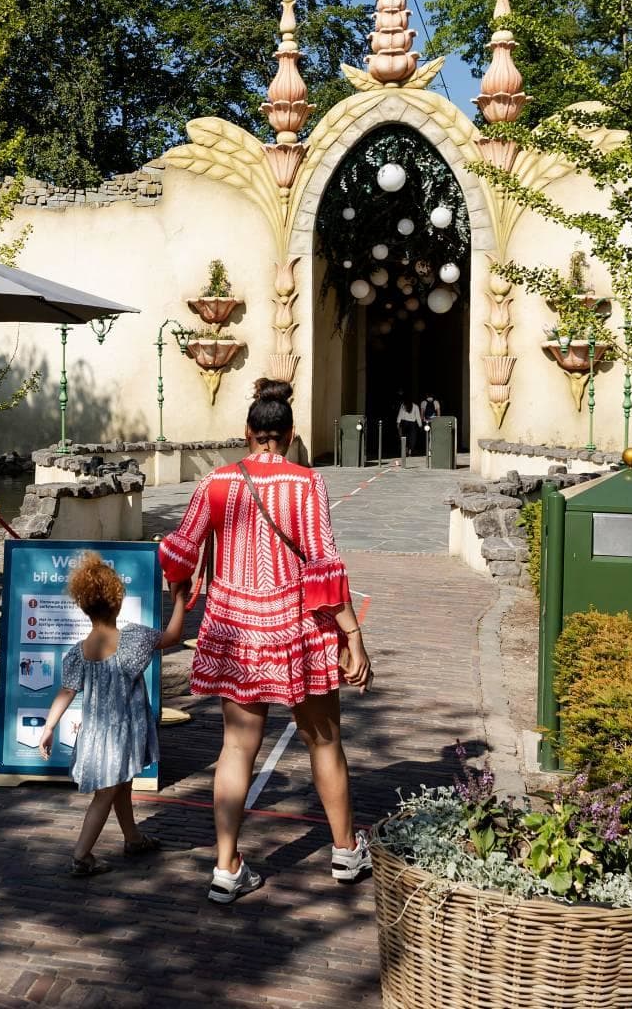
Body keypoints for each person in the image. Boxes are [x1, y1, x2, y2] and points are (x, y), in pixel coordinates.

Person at [158, 378, 374, 904]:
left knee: (236, 747)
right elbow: (323, 566)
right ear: (290, 433)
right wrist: (353, 635)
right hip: (300, 629)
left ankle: (227, 865)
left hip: (236, 628)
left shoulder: (216, 482)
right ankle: (345, 851)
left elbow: (178, 554)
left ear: (248, 433)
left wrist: (182, 598)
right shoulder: (307, 484)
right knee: (323, 741)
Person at [38, 552, 189, 877]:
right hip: (122, 733)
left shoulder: (78, 651)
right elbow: (174, 636)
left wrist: (49, 726)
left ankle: (133, 838)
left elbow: (66, 691)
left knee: (120, 784)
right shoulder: (133, 638)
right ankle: (81, 855)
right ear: (117, 602)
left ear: (84, 605)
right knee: (106, 792)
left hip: (95, 734)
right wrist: (180, 600)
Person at [396, 394, 423, 459]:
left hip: (404, 423)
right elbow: (418, 417)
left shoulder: (403, 405)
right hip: (412, 424)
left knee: (404, 438)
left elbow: (400, 414)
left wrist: (398, 423)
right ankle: (410, 451)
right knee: (412, 438)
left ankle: (406, 450)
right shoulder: (415, 406)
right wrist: (420, 425)